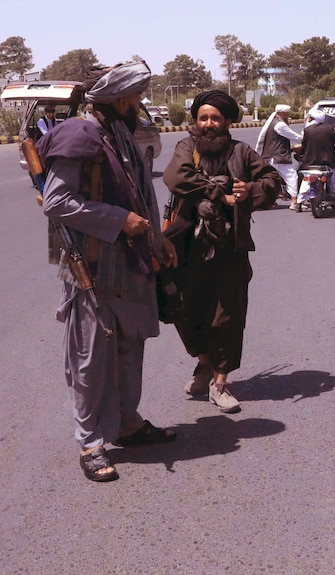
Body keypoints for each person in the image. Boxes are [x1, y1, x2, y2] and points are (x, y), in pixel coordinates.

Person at [38, 61, 178, 483]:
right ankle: (91, 442)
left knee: (129, 347)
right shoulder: (79, 133)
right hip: (94, 267)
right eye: (135, 96)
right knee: (90, 359)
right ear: (119, 98)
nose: (139, 103)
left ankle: (128, 423)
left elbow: (138, 188)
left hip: (131, 263)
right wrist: (119, 220)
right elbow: (57, 202)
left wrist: (156, 238)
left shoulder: (116, 131)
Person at [162, 90, 282, 413]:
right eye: (203, 118)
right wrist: (221, 193)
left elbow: (274, 181)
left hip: (230, 251)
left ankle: (219, 382)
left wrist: (248, 190)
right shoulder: (186, 147)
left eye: (215, 118)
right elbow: (176, 177)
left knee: (227, 318)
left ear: (228, 121)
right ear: (196, 122)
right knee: (186, 312)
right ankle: (203, 363)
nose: (209, 124)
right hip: (188, 250)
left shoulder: (242, 152)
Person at [296, 109, 335, 213]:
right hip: (329, 163)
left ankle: (299, 205)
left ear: (311, 118)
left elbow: (304, 147)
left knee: (306, 182)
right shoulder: (329, 129)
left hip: (310, 163)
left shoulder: (307, 130)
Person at [255, 104, 303, 210]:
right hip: (278, 157)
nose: (287, 116)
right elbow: (294, 136)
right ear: (280, 114)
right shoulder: (279, 125)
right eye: (286, 114)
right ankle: (294, 201)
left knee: (272, 179)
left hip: (271, 156)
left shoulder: (274, 123)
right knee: (291, 177)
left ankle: (269, 200)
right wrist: (307, 139)